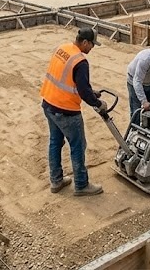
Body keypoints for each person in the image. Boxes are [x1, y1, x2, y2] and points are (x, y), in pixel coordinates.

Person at [40, 28, 106, 196]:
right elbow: (82, 91)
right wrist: (97, 103)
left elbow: (70, 80)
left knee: (55, 142)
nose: (92, 48)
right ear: (85, 42)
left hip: (49, 103)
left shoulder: (62, 48)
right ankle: (82, 185)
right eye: (92, 45)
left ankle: (56, 181)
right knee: (78, 146)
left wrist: (92, 92)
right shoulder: (81, 62)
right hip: (66, 111)